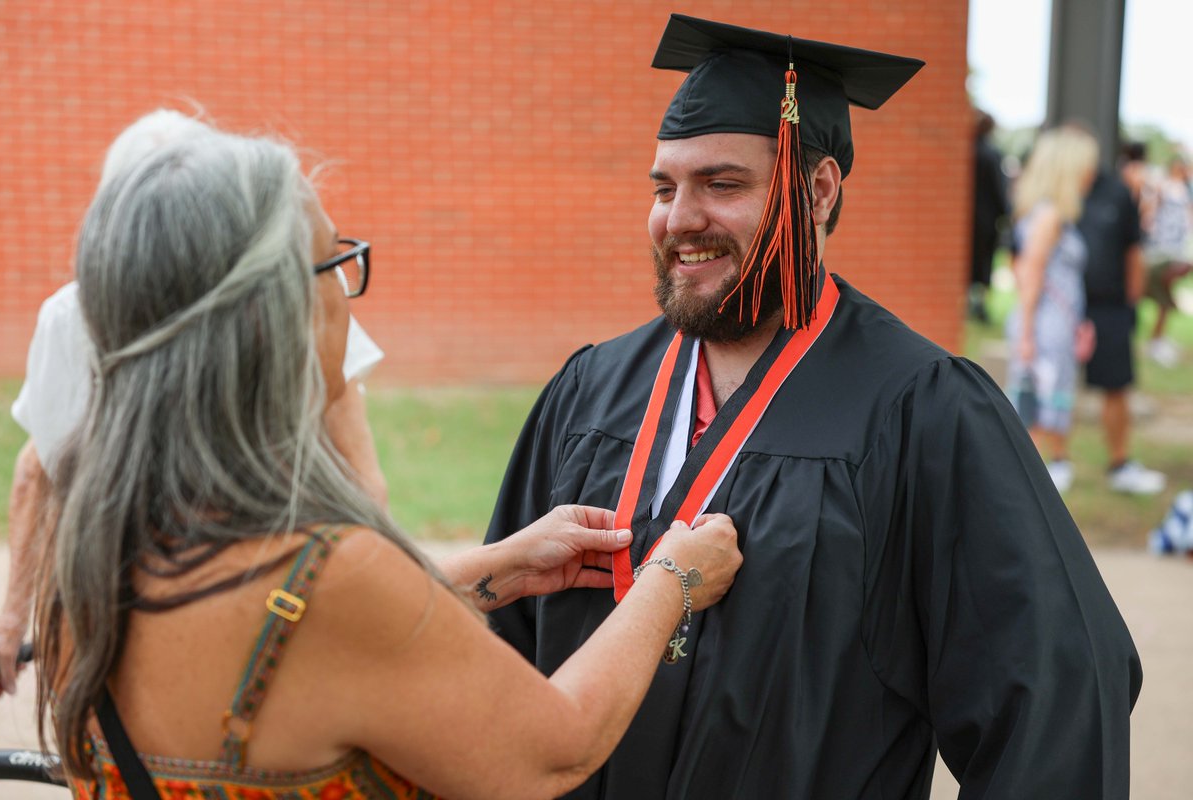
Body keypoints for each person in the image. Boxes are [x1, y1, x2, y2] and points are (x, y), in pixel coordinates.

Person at [485, 15, 1141, 798]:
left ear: (818, 189)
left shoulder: (920, 409)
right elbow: (497, 661)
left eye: (721, 184)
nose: (679, 218)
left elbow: (1053, 696)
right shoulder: (589, 393)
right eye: (664, 187)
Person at [33, 114, 743, 798]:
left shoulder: (97, 554)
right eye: (335, 264)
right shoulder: (328, 576)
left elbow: (298, 640)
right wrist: (670, 582)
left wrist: (497, 567)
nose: (347, 295)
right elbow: (555, 752)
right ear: (272, 314)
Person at [0, 109, 390, 699]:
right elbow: (361, 478)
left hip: (128, 615)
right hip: (259, 601)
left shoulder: (74, 312)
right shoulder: (287, 288)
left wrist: (14, 621)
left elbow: (43, 468)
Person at [1004, 125, 1100, 492]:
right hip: (1045, 328)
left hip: (1051, 326)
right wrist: (1027, 333)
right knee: (1038, 403)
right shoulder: (1050, 216)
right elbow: (1030, 274)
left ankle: (1048, 469)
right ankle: (1036, 479)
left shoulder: (1048, 213)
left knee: (1045, 400)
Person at [1079, 143, 1166, 494]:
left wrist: (1131, 303)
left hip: (1110, 305)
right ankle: (1053, 460)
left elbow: (1135, 252)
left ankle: (1119, 461)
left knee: (1117, 385)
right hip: (1065, 307)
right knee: (1051, 388)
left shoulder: (1116, 193)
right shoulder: (1055, 191)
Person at [1141, 154, 1193, 367]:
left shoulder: (1185, 188)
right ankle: (1156, 341)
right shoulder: (1163, 187)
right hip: (1163, 249)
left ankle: (1158, 339)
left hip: (1177, 248)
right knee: (1163, 297)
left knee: (1165, 297)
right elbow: (1149, 212)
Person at [968, 109, 1010, 323]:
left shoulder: (967, 150)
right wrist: (1006, 213)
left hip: (966, 220)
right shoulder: (991, 154)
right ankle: (979, 306)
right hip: (985, 220)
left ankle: (970, 303)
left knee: (969, 263)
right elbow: (998, 189)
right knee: (983, 265)